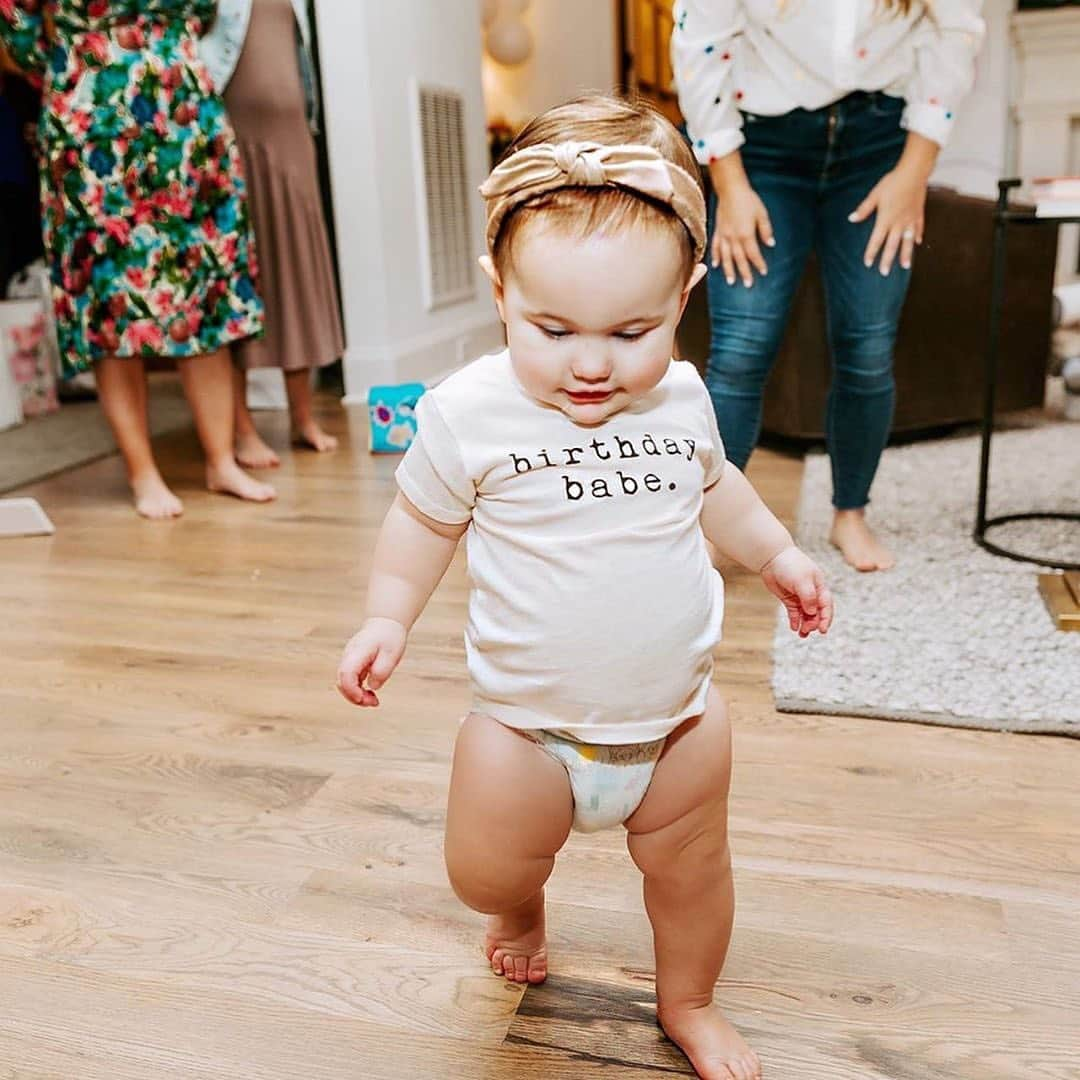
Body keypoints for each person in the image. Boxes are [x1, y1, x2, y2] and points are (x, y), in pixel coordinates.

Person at [336, 95, 833, 1080]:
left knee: (693, 877)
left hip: (678, 723)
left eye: (633, 329)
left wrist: (776, 553)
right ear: (500, 292)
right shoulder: (468, 413)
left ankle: (686, 1002)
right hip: (527, 728)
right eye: (553, 328)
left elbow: (717, 489)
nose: (595, 363)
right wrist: (387, 616)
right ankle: (523, 903)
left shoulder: (682, 397)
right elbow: (423, 523)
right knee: (483, 868)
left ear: (684, 298)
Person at [673, 0, 985, 571]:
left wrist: (914, 173)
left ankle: (850, 515)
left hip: (878, 146)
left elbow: (957, 32)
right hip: (761, 149)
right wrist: (731, 185)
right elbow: (701, 45)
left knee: (867, 346)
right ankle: (712, 528)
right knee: (742, 349)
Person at [0, 1, 275, 518]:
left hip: (186, 114)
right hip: (91, 120)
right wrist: (76, 61)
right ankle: (142, 471)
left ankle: (220, 459)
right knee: (109, 297)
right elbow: (14, 15)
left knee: (204, 282)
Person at [201, 0, 344, 467]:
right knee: (238, 278)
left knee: (298, 269)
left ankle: (304, 417)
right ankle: (241, 429)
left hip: (292, 134)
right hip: (231, 134)